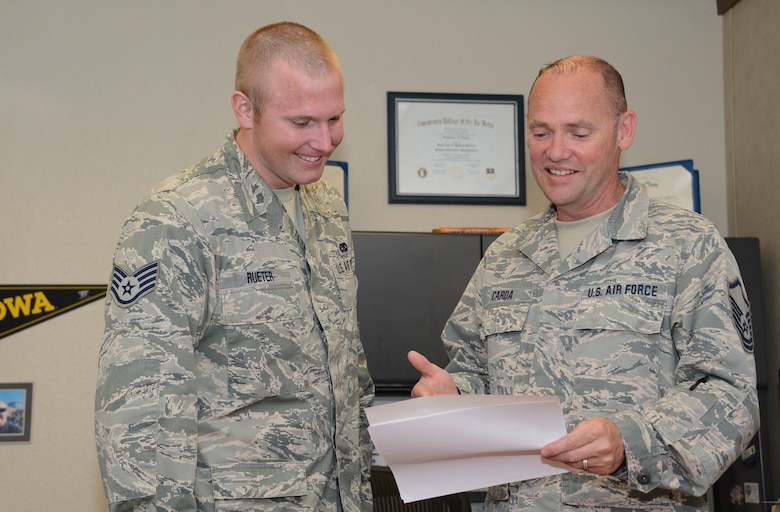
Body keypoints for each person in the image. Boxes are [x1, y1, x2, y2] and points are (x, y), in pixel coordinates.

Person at [408, 55, 759, 511]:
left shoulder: (688, 246)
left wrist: (630, 440)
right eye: (541, 132)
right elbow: (475, 372)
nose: (556, 151)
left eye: (579, 132)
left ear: (623, 131)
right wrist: (451, 397)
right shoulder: (505, 256)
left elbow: (731, 396)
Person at [95, 21, 374, 512]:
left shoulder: (327, 209)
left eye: (335, 119)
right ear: (245, 110)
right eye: (303, 123)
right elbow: (141, 409)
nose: (325, 141)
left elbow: (345, 368)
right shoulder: (178, 216)